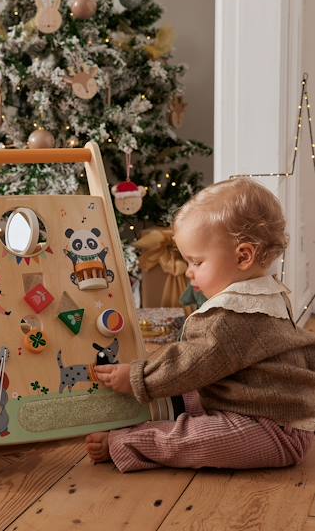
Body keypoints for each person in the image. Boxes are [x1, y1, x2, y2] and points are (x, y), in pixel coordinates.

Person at [86, 177, 315, 472]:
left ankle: (131, 441)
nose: (189, 272)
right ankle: (171, 407)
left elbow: (189, 363)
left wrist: (137, 378)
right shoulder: (268, 293)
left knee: (200, 438)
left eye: (197, 262)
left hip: (272, 430)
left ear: (243, 256)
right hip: (264, 404)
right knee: (190, 390)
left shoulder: (231, 316)